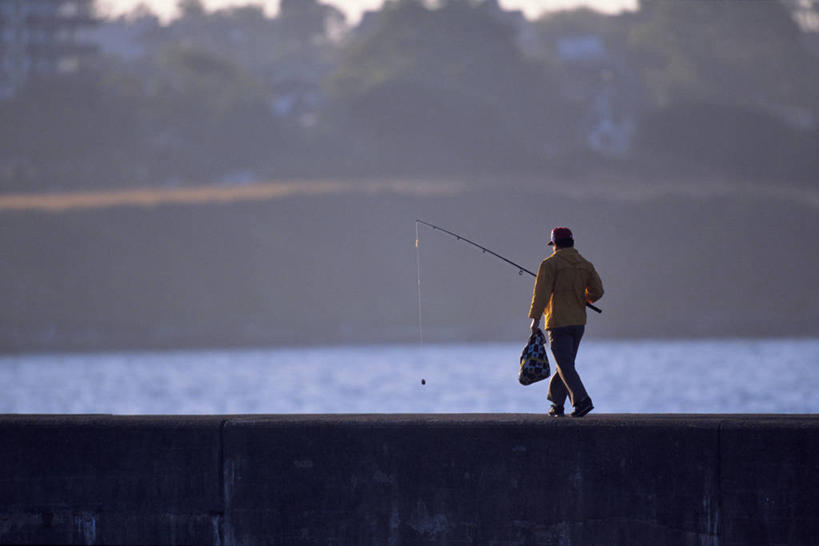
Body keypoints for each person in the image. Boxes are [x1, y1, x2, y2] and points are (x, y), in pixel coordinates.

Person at [528, 227, 603, 418]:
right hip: (578, 322)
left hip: (558, 322)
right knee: (565, 364)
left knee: (565, 365)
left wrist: (535, 319)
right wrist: (585, 298)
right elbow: (598, 291)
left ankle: (582, 401)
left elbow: (541, 294)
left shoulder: (549, 264)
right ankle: (557, 405)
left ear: (555, 244)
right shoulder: (585, 264)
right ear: (571, 243)